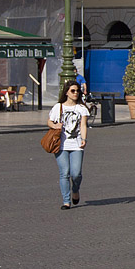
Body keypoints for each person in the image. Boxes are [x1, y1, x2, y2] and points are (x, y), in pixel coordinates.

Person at [48, 80, 89, 209]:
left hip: (76, 144)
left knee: (76, 173)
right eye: (73, 91)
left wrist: (84, 139)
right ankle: (66, 201)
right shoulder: (58, 107)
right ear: (66, 92)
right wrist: (55, 125)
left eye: (77, 91)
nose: (76, 93)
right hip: (60, 144)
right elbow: (49, 121)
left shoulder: (81, 108)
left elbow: (83, 125)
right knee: (64, 173)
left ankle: (75, 190)